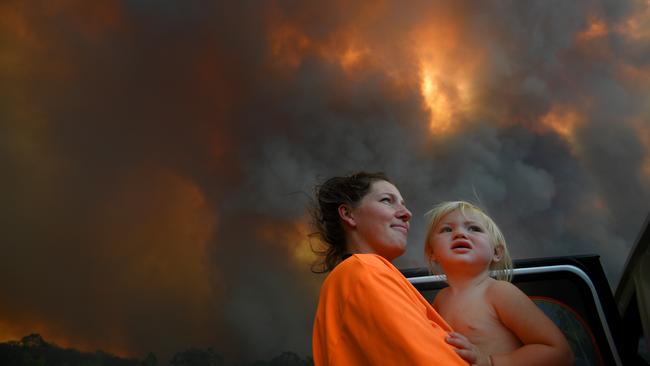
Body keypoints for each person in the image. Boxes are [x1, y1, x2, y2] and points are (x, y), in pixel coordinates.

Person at [310, 172, 467, 365]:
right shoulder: (364, 270)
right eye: (387, 201)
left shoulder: (356, 274)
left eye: (403, 203)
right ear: (349, 214)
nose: (406, 213)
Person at [424, 201, 574, 365]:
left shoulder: (500, 292)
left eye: (474, 228)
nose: (459, 233)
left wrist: (491, 361)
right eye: (447, 229)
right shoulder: (441, 299)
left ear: (496, 252)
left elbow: (558, 352)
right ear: (433, 254)